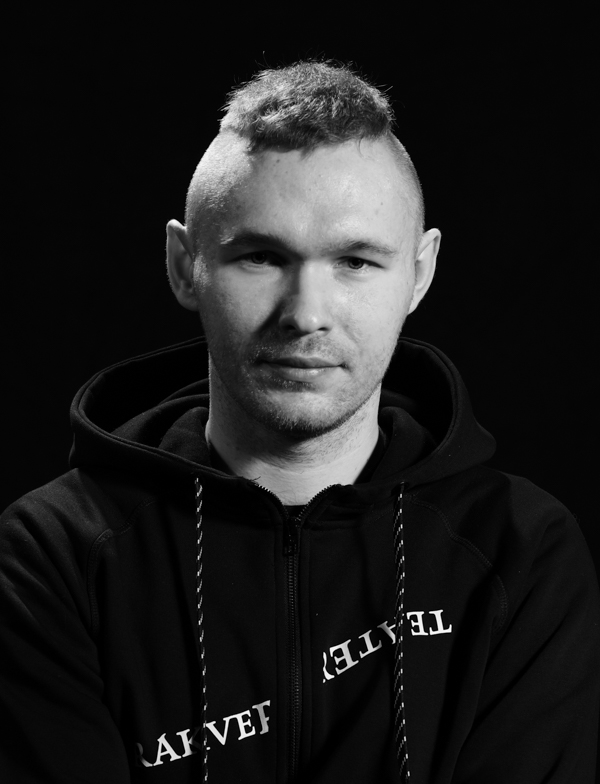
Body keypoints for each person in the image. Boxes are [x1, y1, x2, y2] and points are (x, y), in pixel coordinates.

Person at [1, 60, 598, 784]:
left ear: (420, 272)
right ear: (185, 265)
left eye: (356, 262)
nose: (306, 314)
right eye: (261, 256)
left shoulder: (519, 550)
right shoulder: (53, 553)